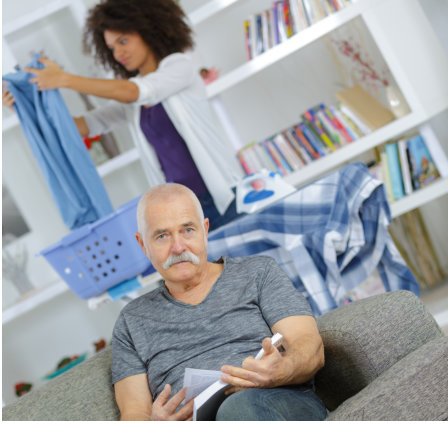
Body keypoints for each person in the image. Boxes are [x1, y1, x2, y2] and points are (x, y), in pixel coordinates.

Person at [2, 0, 242, 231]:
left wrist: (63, 79)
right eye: (111, 48)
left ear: (149, 30)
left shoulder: (179, 67)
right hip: (181, 213)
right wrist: (26, 109)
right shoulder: (132, 101)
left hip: (219, 197)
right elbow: (82, 126)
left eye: (123, 41)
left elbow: (137, 92)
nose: (118, 53)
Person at [112, 183, 327, 420]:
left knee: (237, 410)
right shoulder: (131, 321)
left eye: (187, 230)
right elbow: (134, 412)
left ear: (204, 230)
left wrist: (281, 370)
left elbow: (309, 345)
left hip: (276, 403)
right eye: (162, 236)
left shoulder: (257, 273)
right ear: (143, 245)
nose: (178, 247)